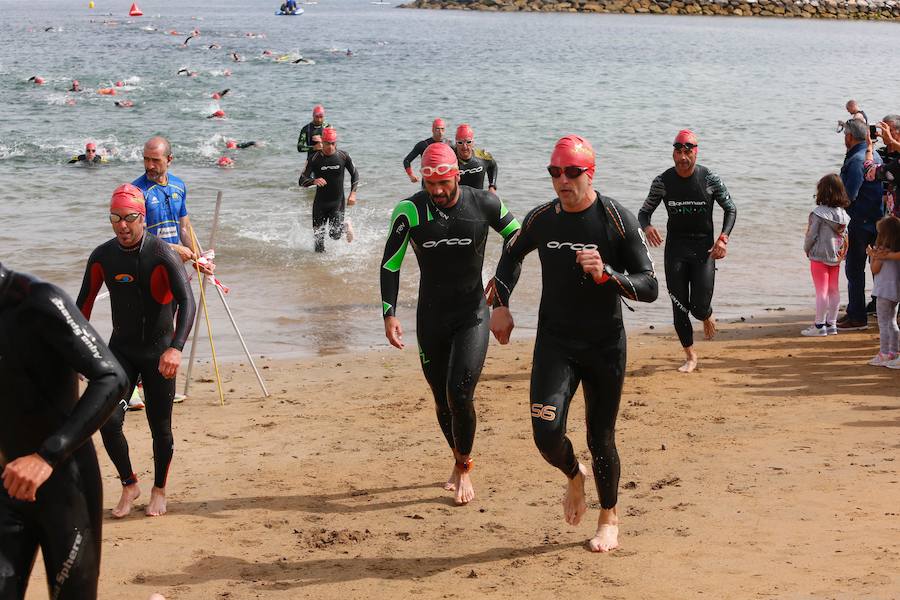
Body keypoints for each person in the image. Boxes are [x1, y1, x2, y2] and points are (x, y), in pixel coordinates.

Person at [489, 135, 657, 552]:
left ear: (589, 173)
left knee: (601, 437)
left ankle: (609, 517)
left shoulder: (617, 218)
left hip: (604, 345)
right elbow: (511, 256)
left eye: (571, 172)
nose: (562, 180)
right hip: (555, 342)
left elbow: (649, 285)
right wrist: (501, 305)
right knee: (545, 434)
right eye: (554, 172)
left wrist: (608, 276)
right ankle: (573, 475)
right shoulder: (542, 219)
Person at [380, 142, 520, 505]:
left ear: (456, 174)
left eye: (444, 182)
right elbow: (390, 264)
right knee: (442, 400)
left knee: (460, 393)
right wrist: (389, 313)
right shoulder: (409, 210)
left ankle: (464, 466)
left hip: (473, 313)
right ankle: (458, 458)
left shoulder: (484, 203)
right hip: (431, 317)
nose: (438, 192)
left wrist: (502, 291)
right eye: (431, 185)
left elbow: (518, 241)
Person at [0, 262, 128, 599]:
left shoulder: (37, 300)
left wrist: (46, 455)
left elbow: (112, 378)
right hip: (6, 486)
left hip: (65, 484)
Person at [77, 184, 196, 518]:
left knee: (160, 427)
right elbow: (81, 308)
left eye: (129, 218)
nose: (122, 226)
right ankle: (130, 483)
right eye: (115, 218)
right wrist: (76, 353)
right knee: (108, 421)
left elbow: (187, 302)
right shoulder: (103, 256)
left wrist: (175, 348)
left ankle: (159, 489)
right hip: (123, 353)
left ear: (142, 218)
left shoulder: (161, 253)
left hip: (160, 354)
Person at [638, 130, 737, 373]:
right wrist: (647, 226)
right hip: (676, 249)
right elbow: (643, 213)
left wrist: (723, 239)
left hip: (704, 248)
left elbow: (731, 209)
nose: (683, 157)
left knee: (699, 307)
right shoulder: (662, 182)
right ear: (673, 153)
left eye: (688, 151)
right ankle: (690, 355)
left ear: (696, 152)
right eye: (678, 152)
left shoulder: (709, 179)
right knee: (679, 305)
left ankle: (706, 314)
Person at [838, 119, 884, 330]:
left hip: (860, 222)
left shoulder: (857, 159)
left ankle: (857, 316)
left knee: (854, 269)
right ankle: (880, 311)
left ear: (849, 137)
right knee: (878, 270)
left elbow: (851, 194)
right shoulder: (873, 154)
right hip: (876, 220)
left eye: (844, 135)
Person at [131, 136, 201, 265]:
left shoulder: (178, 185)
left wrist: (199, 259)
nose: (149, 165)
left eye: (155, 160)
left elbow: (184, 228)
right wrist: (174, 248)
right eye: (146, 159)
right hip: (147, 264)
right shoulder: (136, 191)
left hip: (173, 262)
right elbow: (136, 238)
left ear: (169, 159)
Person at [801, 174, 850, 336]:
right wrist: (843, 253)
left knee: (821, 290)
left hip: (819, 256)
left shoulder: (818, 213)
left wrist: (806, 249)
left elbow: (811, 235)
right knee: (834, 290)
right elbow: (845, 236)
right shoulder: (843, 214)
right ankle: (832, 324)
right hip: (836, 255)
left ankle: (819, 325)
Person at [298, 128, 358, 252]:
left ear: (336, 143)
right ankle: (318, 270)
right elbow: (301, 180)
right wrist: (313, 181)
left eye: (333, 143)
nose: (330, 147)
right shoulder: (314, 158)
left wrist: (353, 193)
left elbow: (355, 174)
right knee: (318, 244)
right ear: (322, 142)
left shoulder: (343, 156)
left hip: (337, 202)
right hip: (320, 204)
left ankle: (346, 225)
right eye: (327, 143)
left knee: (334, 235)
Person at [865, 216, 900, 366]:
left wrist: (872, 256)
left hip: (883, 292)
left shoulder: (881, 252)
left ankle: (884, 353)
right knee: (892, 322)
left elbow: (875, 269)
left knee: (883, 323)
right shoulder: (895, 252)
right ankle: (894, 351)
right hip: (895, 291)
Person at [402, 118, 449, 184]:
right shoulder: (423, 145)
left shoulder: (449, 144)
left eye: (442, 129)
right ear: (432, 130)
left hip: (444, 181)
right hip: (428, 182)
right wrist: (411, 176)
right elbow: (407, 161)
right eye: (437, 129)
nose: (440, 132)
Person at [454, 123, 498, 192]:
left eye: (468, 142)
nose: (464, 146)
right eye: (460, 142)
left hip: (478, 200)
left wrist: (492, 186)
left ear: (473, 142)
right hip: (458, 200)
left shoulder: (482, 155)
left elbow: (493, 166)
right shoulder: (450, 158)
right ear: (456, 143)